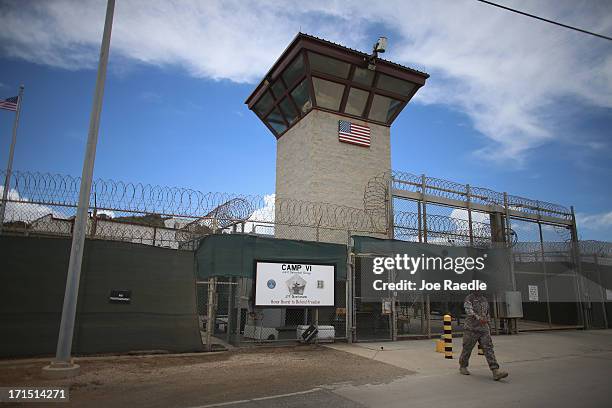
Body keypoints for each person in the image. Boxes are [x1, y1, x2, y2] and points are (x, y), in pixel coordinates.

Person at [459, 291, 508, 381]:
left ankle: (495, 371)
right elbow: (469, 311)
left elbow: (487, 312)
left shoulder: (484, 299)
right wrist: (479, 318)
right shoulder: (469, 298)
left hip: (483, 328)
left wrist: (487, 321)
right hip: (471, 328)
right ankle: (463, 366)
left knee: (488, 348)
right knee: (467, 348)